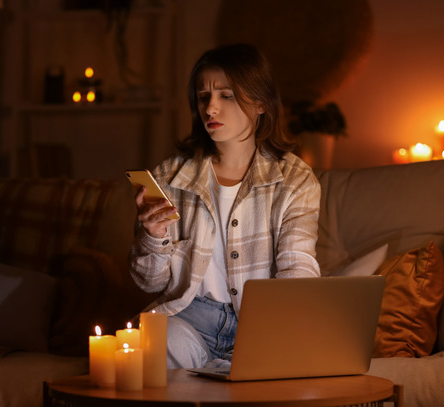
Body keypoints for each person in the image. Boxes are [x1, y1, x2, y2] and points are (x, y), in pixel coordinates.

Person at [128, 43, 321, 369]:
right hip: (189, 318)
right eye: (203, 96)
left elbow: (297, 268)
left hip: (261, 323)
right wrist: (152, 237)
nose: (211, 108)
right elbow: (150, 283)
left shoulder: (295, 179)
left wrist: (276, 334)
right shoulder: (167, 177)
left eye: (226, 95)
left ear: (261, 103)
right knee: (155, 343)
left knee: (272, 366)